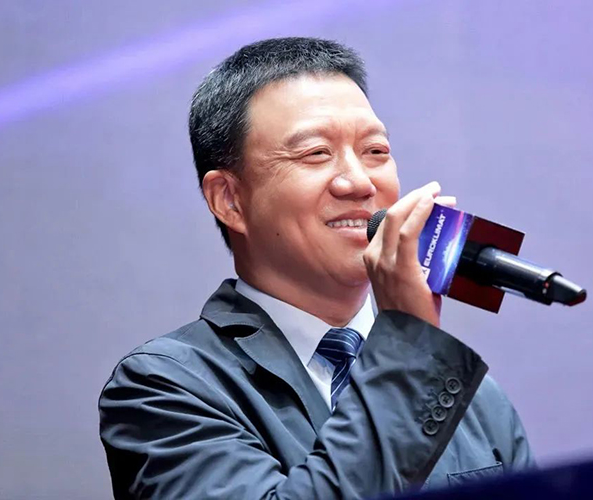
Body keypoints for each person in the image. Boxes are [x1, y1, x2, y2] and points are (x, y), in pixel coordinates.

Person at [99, 37, 534, 499]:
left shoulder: (471, 397)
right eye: (316, 153)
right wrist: (409, 344)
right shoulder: (166, 387)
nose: (359, 183)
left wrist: (415, 355)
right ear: (229, 199)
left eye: (376, 151)